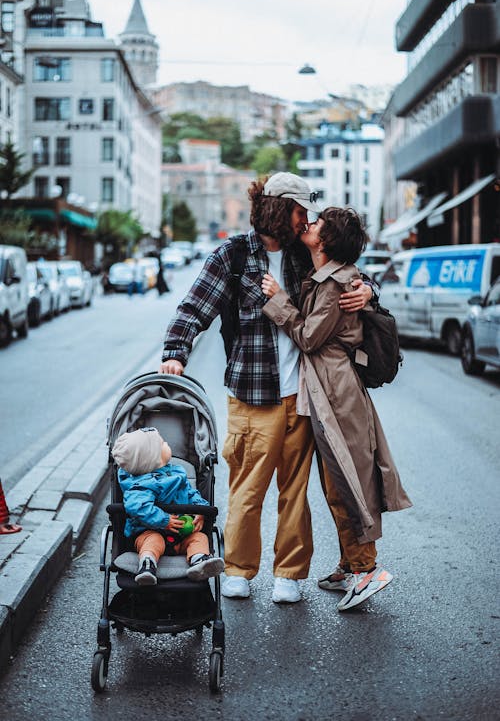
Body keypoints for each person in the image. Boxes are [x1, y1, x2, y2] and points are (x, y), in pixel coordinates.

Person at [159, 172, 375, 605]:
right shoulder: (232, 256)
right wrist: (175, 352)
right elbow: (194, 306)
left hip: (302, 393)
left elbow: (348, 273)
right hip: (250, 394)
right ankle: (239, 568)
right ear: (279, 209)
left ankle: (289, 574)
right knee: (247, 487)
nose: (305, 220)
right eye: (299, 212)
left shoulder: (303, 255)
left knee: (294, 491)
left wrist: (368, 290)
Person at [261, 206, 412, 611]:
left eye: (317, 225)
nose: (307, 225)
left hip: (337, 393)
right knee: (336, 480)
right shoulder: (330, 276)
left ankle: (366, 569)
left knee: (347, 479)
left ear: (325, 242)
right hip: (328, 389)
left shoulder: (336, 284)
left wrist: (278, 301)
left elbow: (309, 338)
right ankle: (350, 564)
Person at [112, 427, 224, 585]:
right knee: (154, 540)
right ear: (152, 458)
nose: (166, 443)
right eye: (162, 443)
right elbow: (137, 507)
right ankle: (147, 565)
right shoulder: (140, 485)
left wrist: (200, 509)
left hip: (182, 535)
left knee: (199, 538)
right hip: (148, 533)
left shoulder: (176, 473)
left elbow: (190, 493)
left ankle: (199, 562)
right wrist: (164, 520)